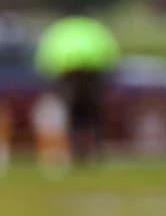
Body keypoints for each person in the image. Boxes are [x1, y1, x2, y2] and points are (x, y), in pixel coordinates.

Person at [35, 14, 122, 165]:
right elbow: (110, 53)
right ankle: (95, 150)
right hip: (92, 75)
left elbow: (45, 58)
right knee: (93, 117)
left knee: (73, 116)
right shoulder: (95, 29)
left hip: (68, 76)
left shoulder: (59, 31)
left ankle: (75, 150)